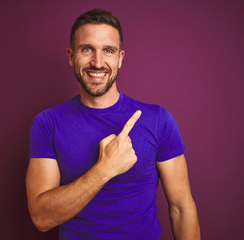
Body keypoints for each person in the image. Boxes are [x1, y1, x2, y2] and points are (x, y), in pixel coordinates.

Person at [26, 8, 200, 240]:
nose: (97, 63)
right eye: (87, 49)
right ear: (70, 56)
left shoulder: (158, 120)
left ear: (120, 58)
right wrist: (105, 169)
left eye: (108, 51)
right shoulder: (47, 123)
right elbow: (41, 218)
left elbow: (181, 208)